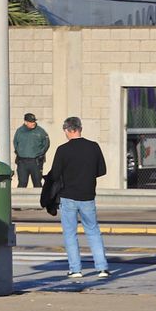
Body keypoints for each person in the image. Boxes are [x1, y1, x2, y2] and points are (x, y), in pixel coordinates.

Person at [47, 117, 109, 279]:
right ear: (80, 128)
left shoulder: (63, 150)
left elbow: (54, 174)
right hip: (88, 195)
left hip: (68, 196)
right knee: (93, 231)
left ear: (68, 130)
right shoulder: (93, 147)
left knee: (70, 233)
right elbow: (102, 170)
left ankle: (75, 269)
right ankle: (102, 268)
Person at [14, 112, 49, 188]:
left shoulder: (40, 131)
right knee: (22, 183)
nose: (33, 123)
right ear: (25, 122)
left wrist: (40, 154)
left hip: (35, 161)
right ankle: (20, 199)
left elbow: (46, 144)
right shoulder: (19, 131)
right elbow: (15, 143)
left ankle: (40, 199)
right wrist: (19, 153)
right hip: (22, 162)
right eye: (31, 122)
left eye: (34, 121)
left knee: (37, 183)